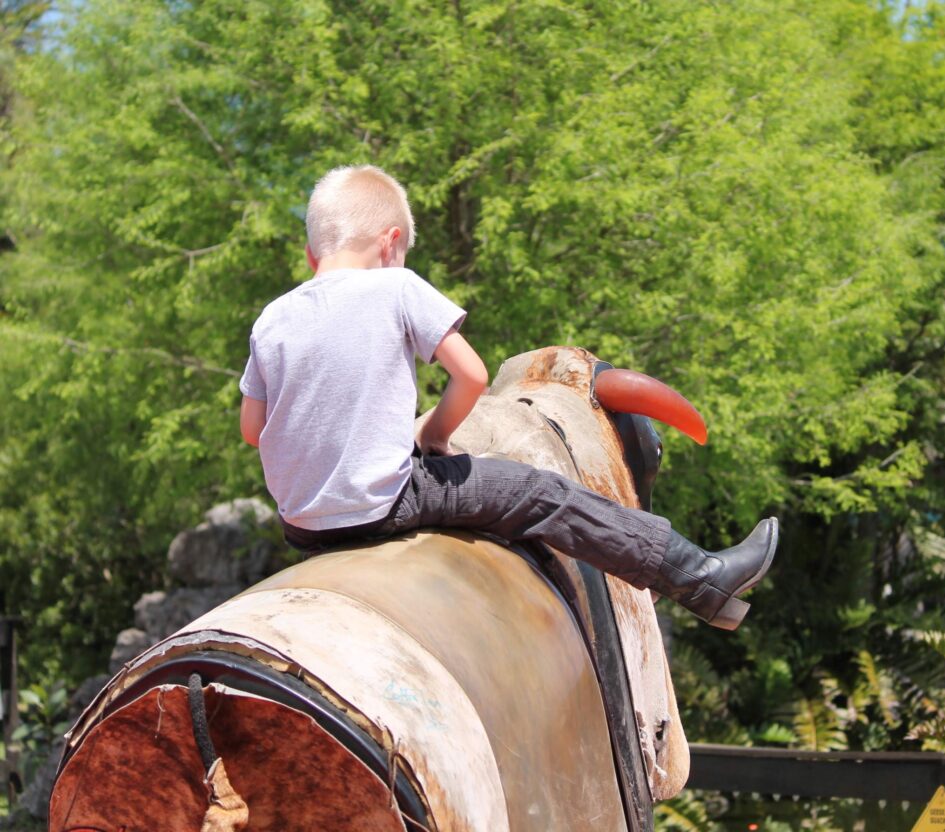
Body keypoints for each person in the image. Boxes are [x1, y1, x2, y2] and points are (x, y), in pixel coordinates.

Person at [239, 165, 778, 630]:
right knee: (544, 495)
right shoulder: (395, 287)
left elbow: (251, 430)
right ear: (390, 241)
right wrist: (433, 435)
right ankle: (703, 580)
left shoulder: (273, 318)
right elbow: (471, 375)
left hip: (301, 523)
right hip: (386, 503)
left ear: (312, 255)